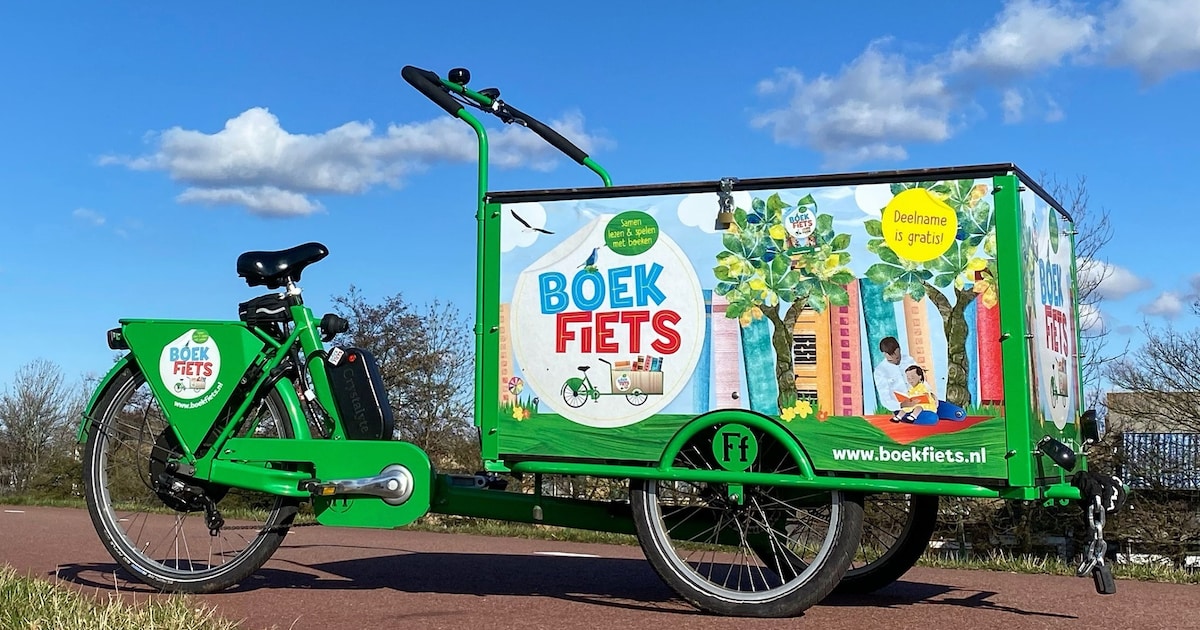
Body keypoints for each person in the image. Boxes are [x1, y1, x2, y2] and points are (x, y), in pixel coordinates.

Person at [873, 336, 915, 412]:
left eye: (898, 358)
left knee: (943, 408)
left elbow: (921, 379)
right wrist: (902, 405)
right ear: (884, 354)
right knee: (931, 418)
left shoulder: (908, 360)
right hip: (901, 409)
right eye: (891, 360)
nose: (896, 362)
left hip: (918, 400)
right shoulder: (880, 371)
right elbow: (885, 399)